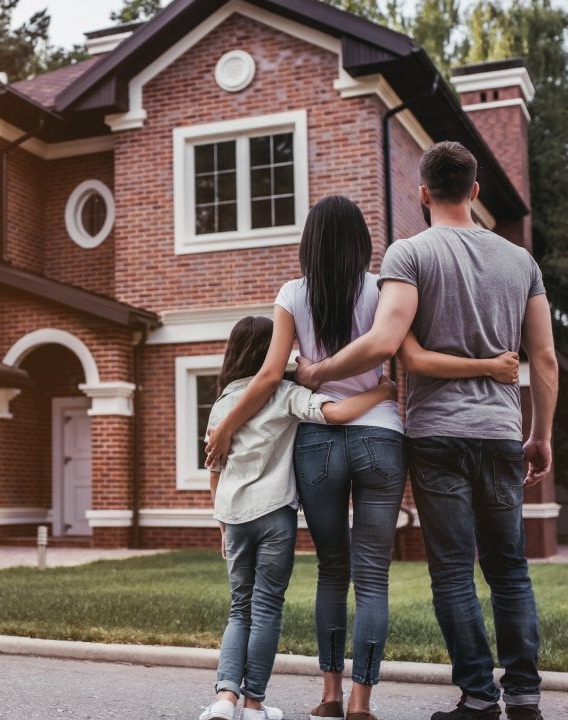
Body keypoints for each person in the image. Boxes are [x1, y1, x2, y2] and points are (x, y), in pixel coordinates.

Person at [204, 195, 519, 720]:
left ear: (309, 243)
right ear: (362, 243)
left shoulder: (292, 294)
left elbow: (266, 377)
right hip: (380, 439)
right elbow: (411, 356)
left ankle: (328, 695)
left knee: (332, 570)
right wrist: (484, 366)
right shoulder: (383, 289)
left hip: (318, 443)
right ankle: (360, 703)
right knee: (372, 577)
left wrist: (226, 429)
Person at [294, 142, 560, 720]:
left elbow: (387, 344)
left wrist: (316, 371)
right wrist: (540, 435)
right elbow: (544, 359)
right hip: (499, 431)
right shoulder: (521, 262)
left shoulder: (410, 254)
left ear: (422, 194)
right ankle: (526, 697)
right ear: (475, 190)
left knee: (453, 569)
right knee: (510, 567)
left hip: (437, 434)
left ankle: (478, 699)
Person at [200, 315, 397, 720]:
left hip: (234, 518)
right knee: (267, 607)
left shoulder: (221, 406)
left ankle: (224, 698)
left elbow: (214, 470)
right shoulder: (286, 394)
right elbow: (338, 414)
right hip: (275, 515)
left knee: (240, 608)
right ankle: (254, 703)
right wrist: (383, 391)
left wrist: (222, 525)